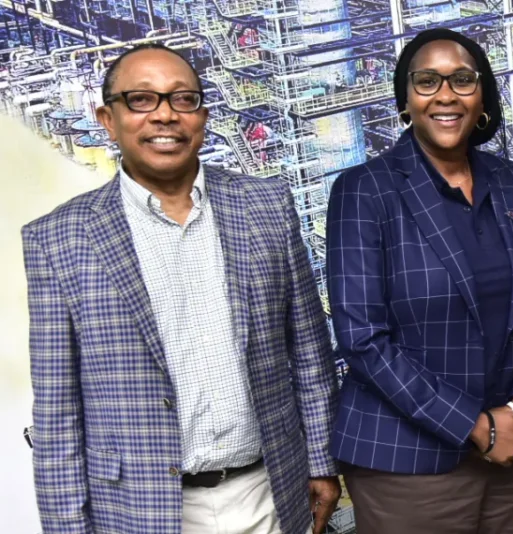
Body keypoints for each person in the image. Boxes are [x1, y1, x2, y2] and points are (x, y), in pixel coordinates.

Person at [22, 43, 341, 534]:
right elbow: (58, 412)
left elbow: (308, 349)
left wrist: (321, 460)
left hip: (268, 493)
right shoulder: (57, 239)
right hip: (141, 511)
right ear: (108, 118)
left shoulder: (266, 205)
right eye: (141, 100)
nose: (165, 116)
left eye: (182, 99)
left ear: (204, 115)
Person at [324, 28, 513, 533]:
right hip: (409, 463)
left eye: (462, 80)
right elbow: (363, 338)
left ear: (484, 97)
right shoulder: (363, 192)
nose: (446, 95)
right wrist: (476, 426)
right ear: (406, 100)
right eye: (427, 81)